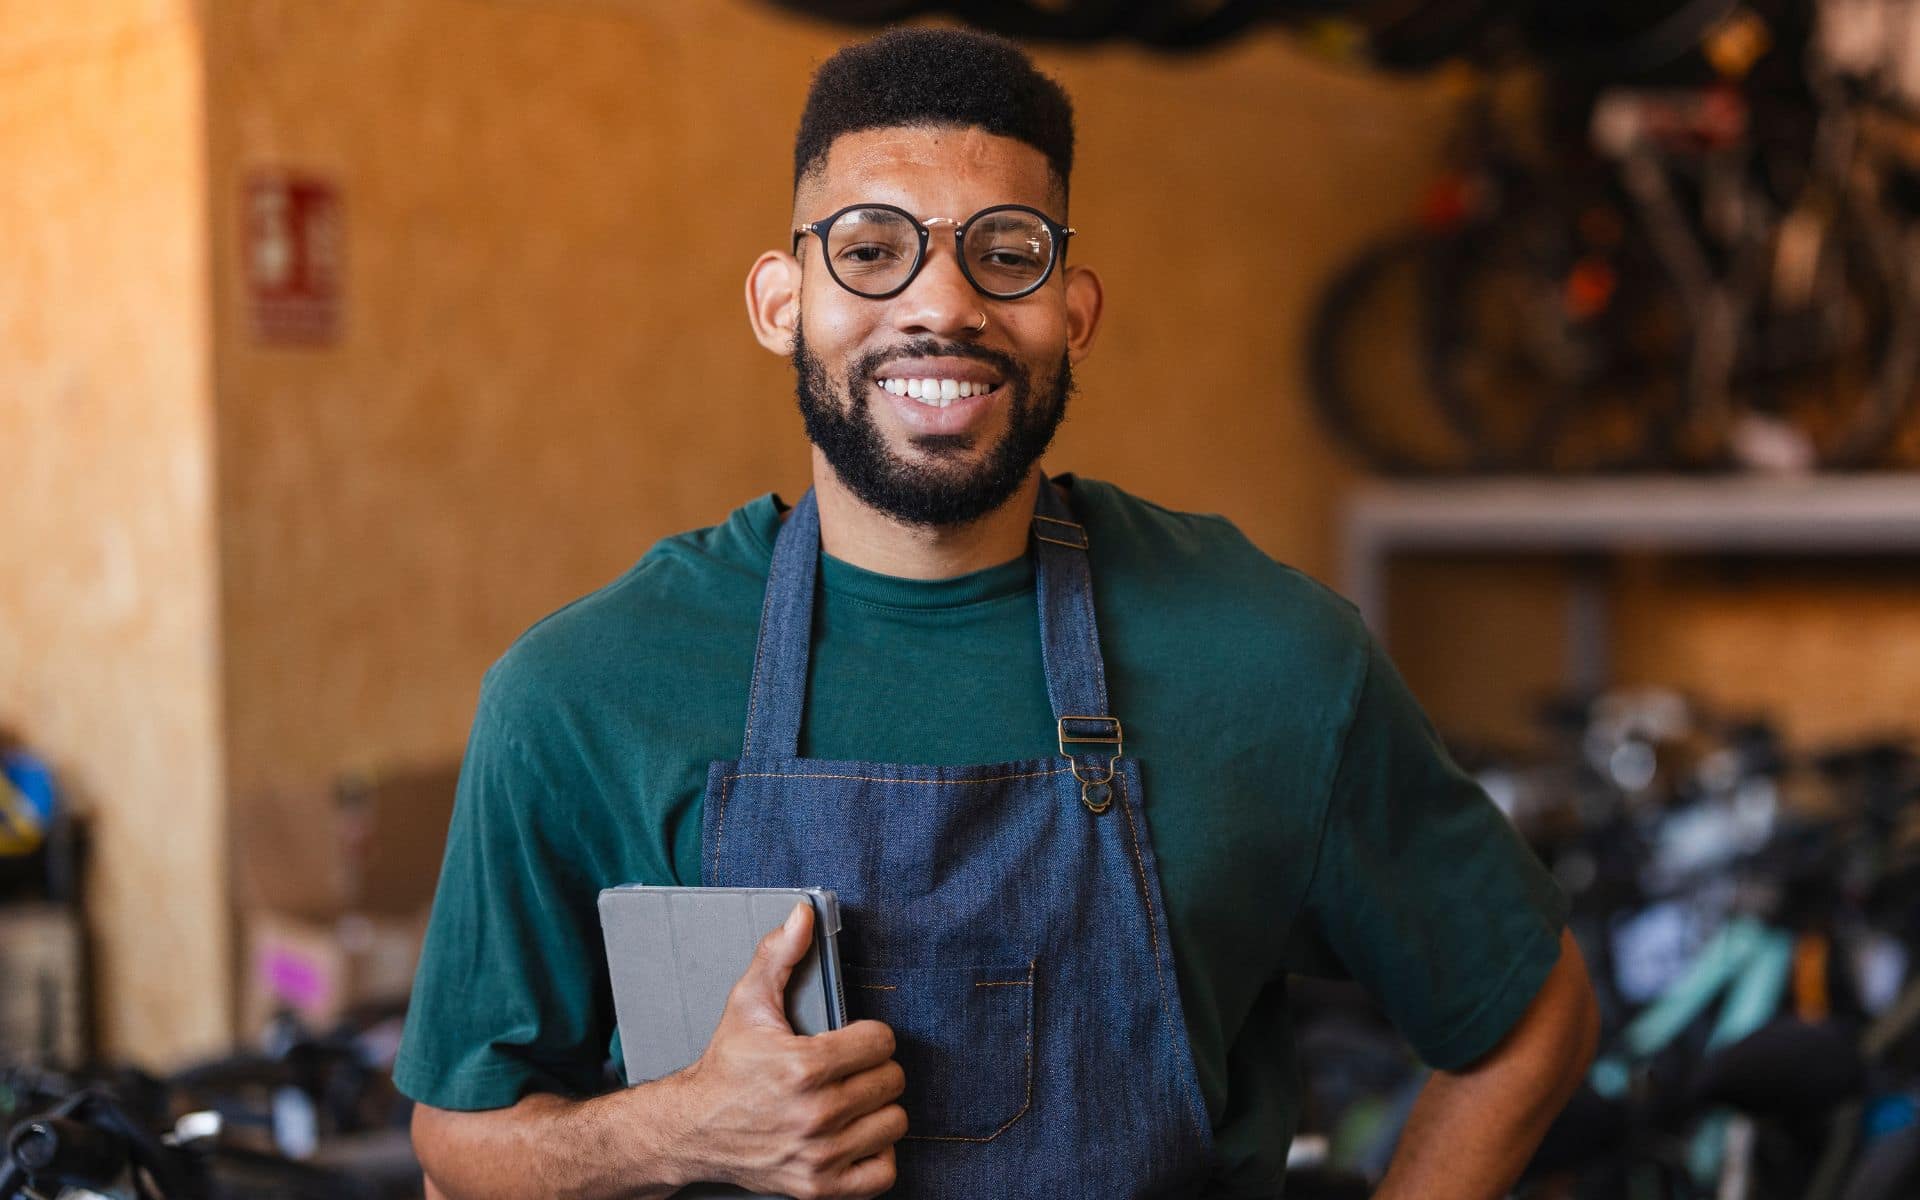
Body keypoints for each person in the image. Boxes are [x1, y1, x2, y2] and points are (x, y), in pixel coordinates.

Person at [398, 26, 1599, 1200]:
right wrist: (680, 1132)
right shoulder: (584, 691)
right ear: (781, 300)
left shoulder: (1271, 659)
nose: (944, 304)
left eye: (1006, 251)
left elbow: (1527, 1014)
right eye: (872, 249)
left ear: (1074, 311)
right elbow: (463, 1142)